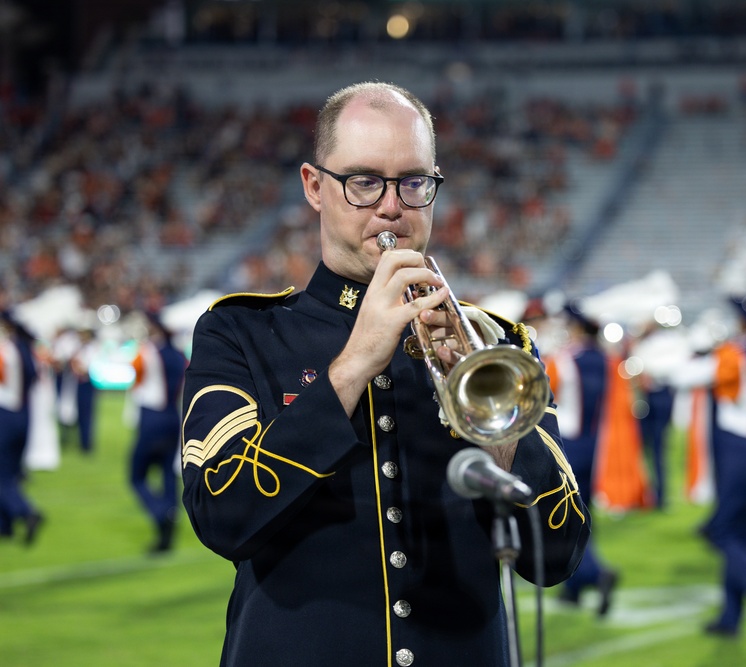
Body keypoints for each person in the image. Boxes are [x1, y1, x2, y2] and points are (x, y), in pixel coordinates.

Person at [180, 81, 590, 666]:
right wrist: (351, 367)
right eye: (364, 181)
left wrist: (494, 431)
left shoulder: (496, 342)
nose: (392, 206)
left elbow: (559, 552)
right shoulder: (239, 332)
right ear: (315, 186)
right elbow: (221, 514)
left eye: (414, 183)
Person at [661, 296, 746, 639]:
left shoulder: (737, 355)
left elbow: (681, 375)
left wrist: (699, 346)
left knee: (719, 532)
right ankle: (730, 617)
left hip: (737, 454)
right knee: (741, 537)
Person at [546, 303, 620, 617]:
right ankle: (573, 590)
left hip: (569, 446)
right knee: (585, 515)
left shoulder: (564, 360)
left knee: (563, 518)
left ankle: (595, 573)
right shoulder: (605, 360)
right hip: (597, 446)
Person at [128, 312, 187, 554]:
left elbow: (135, 371)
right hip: (172, 416)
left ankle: (161, 513)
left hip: (152, 417)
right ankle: (170, 518)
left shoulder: (149, 351)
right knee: (167, 473)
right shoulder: (180, 355)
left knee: (136, 476)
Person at [0, 310, 44, 544]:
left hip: (5, 414)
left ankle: (25, 512)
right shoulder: (27, 350)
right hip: (24, 415)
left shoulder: (6, 350)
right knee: (11, 472)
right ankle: (4, 525)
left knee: (2, 476)